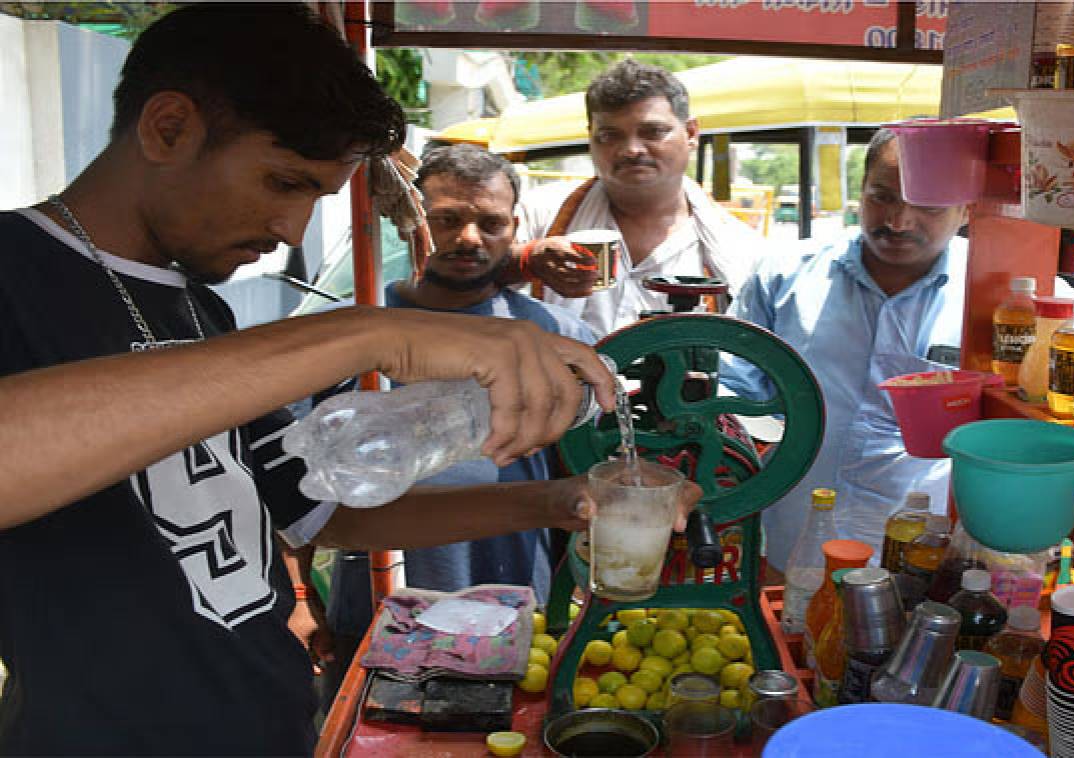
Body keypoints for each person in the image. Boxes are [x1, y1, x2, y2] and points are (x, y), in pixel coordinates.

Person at [0, 6, 697, 754]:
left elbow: (327, 514)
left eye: (313, 199)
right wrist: (370, 330)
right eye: (282, 182)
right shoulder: (14, 272)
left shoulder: (197, 309)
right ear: (168, 127)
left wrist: (561, 501)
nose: (292, 231)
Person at [310, 143, 598, 704]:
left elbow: (585, 477)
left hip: (517, 605)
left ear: (514, 227)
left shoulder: (558, 339)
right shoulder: (345, 333)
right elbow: (288, 483)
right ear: (416, 220)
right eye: (447, 219)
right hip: (376, 603)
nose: (468, 238)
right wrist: (299, 598)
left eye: (490, 223)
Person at [721, 128, 1074, 573]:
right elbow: (731, 389)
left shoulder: (1009, 296)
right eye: (882, 197)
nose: (898, 221)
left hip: (927, 564)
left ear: (967, 209)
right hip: (787, 546)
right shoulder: (784, 277)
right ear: (861, 191)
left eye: (927, 205)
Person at [504, 58, 766, 336]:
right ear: (590, 138)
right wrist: (527, 262)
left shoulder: (741, 250)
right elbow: (467, 279)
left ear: (690, 133)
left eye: (652, 132)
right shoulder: (540, 214)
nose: (631, 149)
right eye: (610, 135)